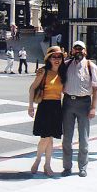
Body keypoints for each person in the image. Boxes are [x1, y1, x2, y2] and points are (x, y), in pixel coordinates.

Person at [61, 40, 97, 177]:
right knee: (67, 138)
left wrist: (93, 108)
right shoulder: (66, 65)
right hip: (68, 103)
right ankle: (66, 167)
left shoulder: (91, 66)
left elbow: (95, 89)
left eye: (81, 49)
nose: (78, 51)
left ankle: (82, 166)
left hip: (84, 104)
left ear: (85, 51)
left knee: (83, 138)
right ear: (72, 51)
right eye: (76, 49)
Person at [28, 46, 66, 176]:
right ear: (48, 58)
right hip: (45, 106)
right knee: (45, 137)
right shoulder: (43, 72)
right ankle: (38, 160)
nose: (57, 59)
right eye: (54, 56)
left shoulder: (62, 72)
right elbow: (32, 88)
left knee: (50, 139)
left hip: (56, 106)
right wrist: (30, 106)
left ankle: (47, 165)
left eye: (59, 56)